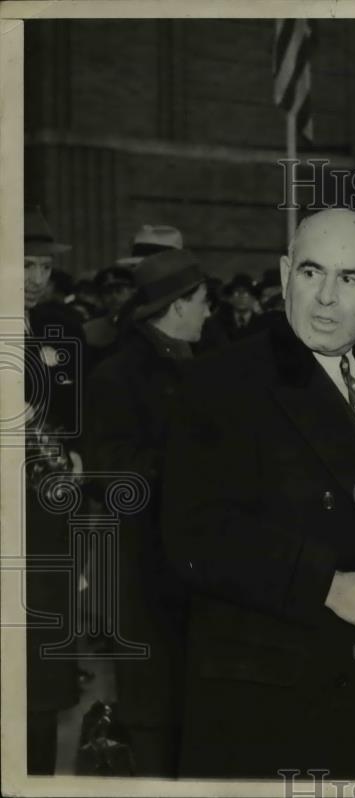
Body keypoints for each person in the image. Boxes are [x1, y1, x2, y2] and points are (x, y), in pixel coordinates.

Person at [160, 209, 355, 779]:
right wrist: (326, 585)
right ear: (286, 274)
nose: (327, 298)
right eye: (312, 273)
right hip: (271, 708)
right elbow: (192, 536)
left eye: (350, 278)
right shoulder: (219, 382)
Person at [84, 249, 211, 776]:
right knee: (155, 716)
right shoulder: (119, 375)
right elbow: (109, 472)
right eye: (203, 303)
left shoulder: (199, 367)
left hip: (192, 568)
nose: (209, 313)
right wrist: (190, 464)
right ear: (178, 306)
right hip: (145, 569)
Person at [23, 207, 82, 774]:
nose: (37, 276)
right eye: (24, 263)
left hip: (41, 516)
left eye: (43, 265)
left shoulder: (41, 330)